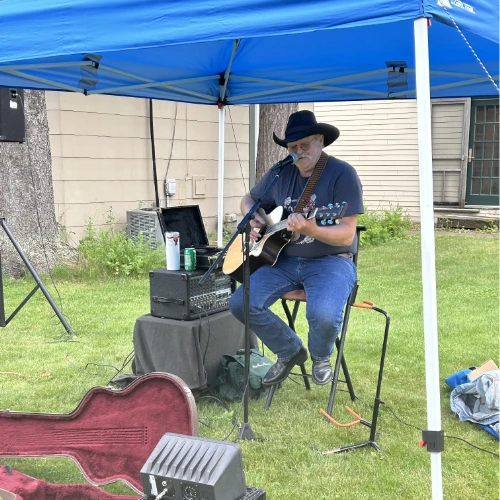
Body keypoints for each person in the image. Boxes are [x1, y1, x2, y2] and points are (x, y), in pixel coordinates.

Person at [228, 110, 363, 386]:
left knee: (323, 314)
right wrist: (255, 219)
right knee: (240, 303)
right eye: (293, 147)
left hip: (331, 260)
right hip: (284, 259)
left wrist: (312, 229)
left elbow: (346, 235)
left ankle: (321, 356)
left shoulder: (342, 174)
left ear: (320, 141)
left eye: (305, 145)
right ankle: (290, 350)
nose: (299, 152)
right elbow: (249, 199)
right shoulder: (281, 173)